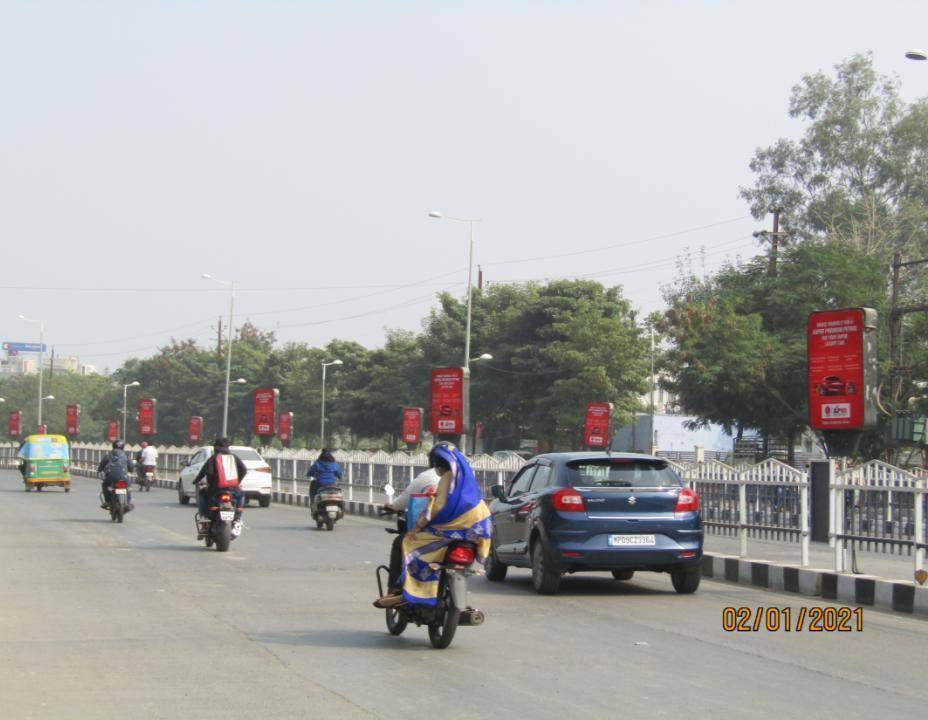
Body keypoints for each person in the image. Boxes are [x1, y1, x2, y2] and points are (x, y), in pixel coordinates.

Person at [375, 442, 492, 608]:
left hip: (453, 530)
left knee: (409, 542)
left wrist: (418, 526)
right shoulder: (466, 477)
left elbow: (437, 508)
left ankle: (406, 591)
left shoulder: (446, 478)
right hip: (479, 527)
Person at [381, 466, 441, 595]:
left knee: (400, 542)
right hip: (462, 536)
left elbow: (403, 502)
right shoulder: (464, 478)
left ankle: (394, 589)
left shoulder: (428, 477)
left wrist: (392, 506)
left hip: (436, 534)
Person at [193, 437, 247, 534]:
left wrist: (199, 481)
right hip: (233, 489)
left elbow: (206, 472)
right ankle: (238, 516)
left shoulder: (213, 458)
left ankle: (204, 519)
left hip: (216, 490)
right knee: (241, 495)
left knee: (202, 493)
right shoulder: (233, 457)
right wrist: (236, 482)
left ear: (216, 447)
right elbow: (244, 470)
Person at [98, 439, 135, 511]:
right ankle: (128, 502)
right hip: (123, 476)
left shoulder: (109, 455)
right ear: (123, 447)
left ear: (113, 446)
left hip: (110, 476)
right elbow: (131, 466)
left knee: (105, 485)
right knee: (128, 487)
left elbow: (102, 465)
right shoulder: (126, 455)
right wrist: (131, 470)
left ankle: (107, 501)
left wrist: (99, 470)